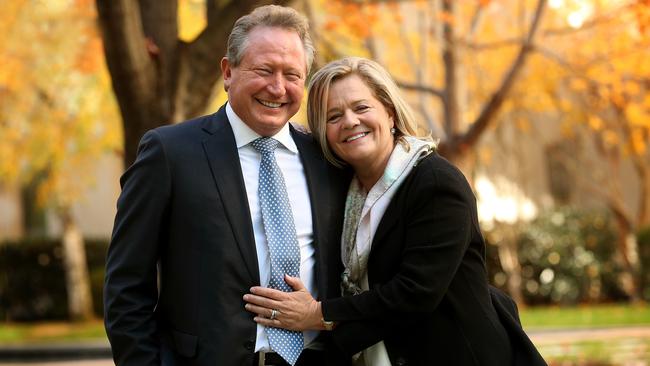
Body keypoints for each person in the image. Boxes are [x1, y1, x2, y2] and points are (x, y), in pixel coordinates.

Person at [244, 57, 547, 366]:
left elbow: (415, 292)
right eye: (333, 116)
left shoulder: (435, 183)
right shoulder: (342, 193)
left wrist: (319, 314)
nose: (349, 121)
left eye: (361, 108)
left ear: (389, 112)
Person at [103, 6, 349, 366]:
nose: (277, 87)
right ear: (228, 72)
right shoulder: (170, 154)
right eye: (264, 70)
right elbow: (125, 288)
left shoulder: (328, 159)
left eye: (292, 75)